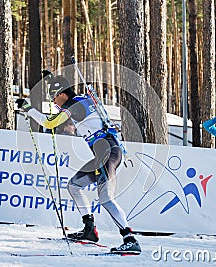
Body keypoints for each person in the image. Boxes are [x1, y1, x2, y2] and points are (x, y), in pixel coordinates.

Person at [17, 75, 141, 254]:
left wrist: (28, 108)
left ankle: (130, 239)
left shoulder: (73, 105)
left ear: (62, 94)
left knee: (106, 198)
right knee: (74, 186)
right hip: (104, 153)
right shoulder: (81, 100)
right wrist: (50, 78)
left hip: (108, 153)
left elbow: (49, 123)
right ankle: (89, 229)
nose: (54, 102)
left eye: (54, 97)